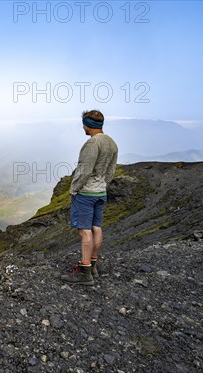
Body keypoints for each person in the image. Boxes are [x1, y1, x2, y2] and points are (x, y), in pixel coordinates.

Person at [61, 110, 118, 286]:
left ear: (88, 125)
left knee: (84, 231)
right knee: (96, 228)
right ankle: (93, 265)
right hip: (101, 192)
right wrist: (103, 185)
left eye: (84, 124)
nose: (83, 127)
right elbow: (111, 170)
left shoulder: (92, 144)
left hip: (86, 193)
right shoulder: (111, 143)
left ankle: (84, 272)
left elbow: (84, 170)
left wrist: (74, 188)